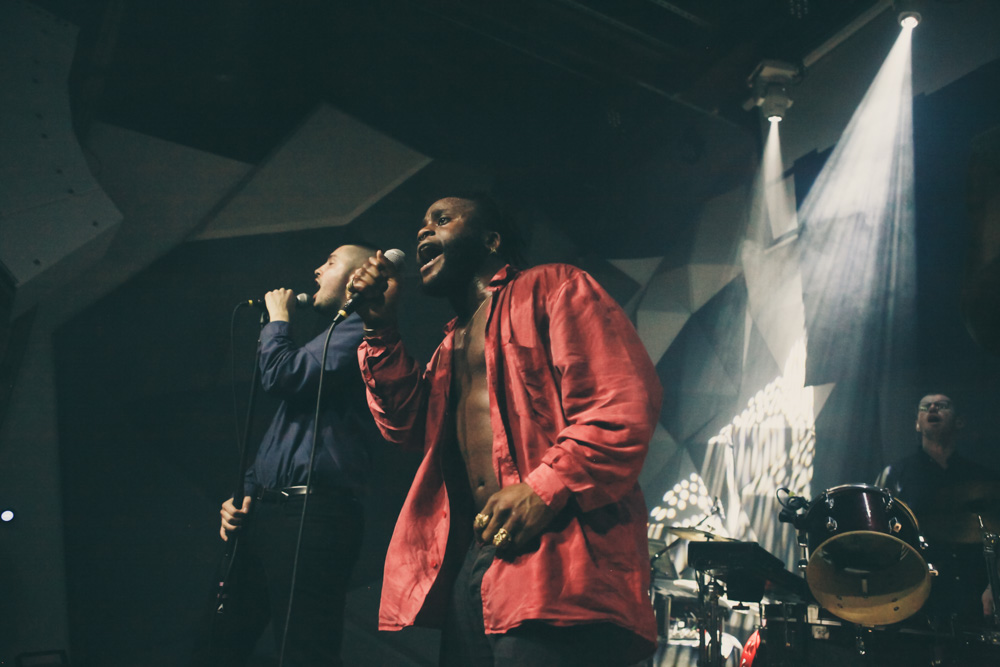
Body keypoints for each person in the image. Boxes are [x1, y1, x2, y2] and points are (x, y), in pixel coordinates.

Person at [350, 194, 662, 666]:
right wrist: (380, 328)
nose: (422, 232)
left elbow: (622, 400)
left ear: (490, 240)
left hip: (562, 549)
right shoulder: (447, 348)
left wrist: (545, 486)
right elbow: (406, 427)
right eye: (421, 224)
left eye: (442, 219)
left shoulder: (554, 286)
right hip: (478, 562)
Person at [194, 244, 379, 667]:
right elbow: (280, 439)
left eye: (330, 263)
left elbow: (282, 374)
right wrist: (243, 495)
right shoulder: (326, 339)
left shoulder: (359, 332)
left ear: (356, 280)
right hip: (267, 514)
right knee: (216, 643)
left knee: (303, 649)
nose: (316, 269)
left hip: (312, 516)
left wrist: (278, 320)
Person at [877, 392, 1000, 627]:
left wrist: (994, 586)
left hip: (973, 594)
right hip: (913, 596)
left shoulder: (982, 478)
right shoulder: (895, 476)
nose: (932, 408)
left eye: (942, 405)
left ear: (959, 421)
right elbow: (878, 537)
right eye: (924, 407)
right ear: (916, 423)